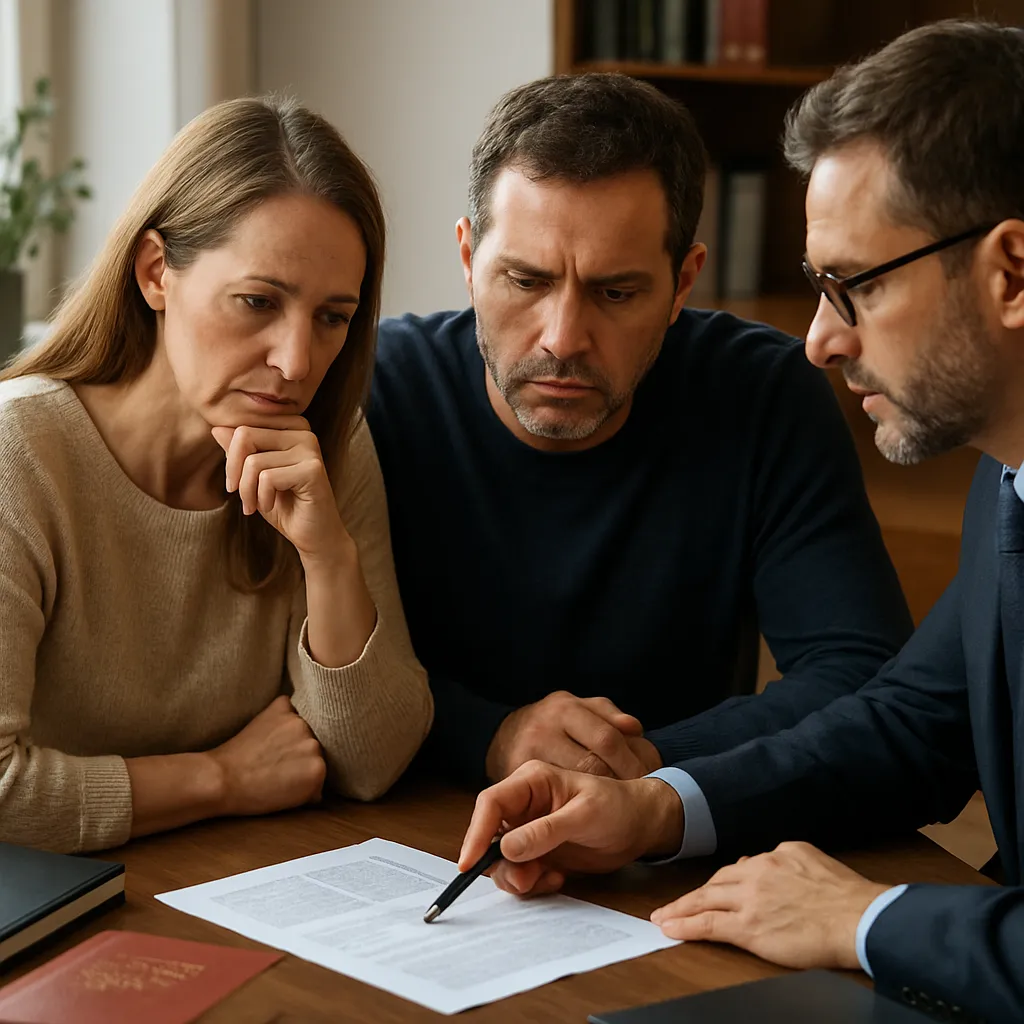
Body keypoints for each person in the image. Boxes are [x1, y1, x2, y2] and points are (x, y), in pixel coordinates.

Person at [458, 19, 1024, 1023]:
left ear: (1010, 273)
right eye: (817, 286)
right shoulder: (1006, 475)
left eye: (856, 284)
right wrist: (655, 809)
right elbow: (912, 725)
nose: (818, 339)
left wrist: (868, 918)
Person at [367, 72, 913, 788]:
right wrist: (492, 737)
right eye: (525, 282)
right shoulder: (377, 388)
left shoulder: (762, 392)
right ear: (469, 262)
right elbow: (300, 671)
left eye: (615, 292)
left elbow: (861, 671)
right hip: (400, 828)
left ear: (684, 283)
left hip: (673, 839)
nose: (562, 339)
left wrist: (643, 766)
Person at [0, 96, 433, 854]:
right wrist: (222, 777)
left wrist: (328, 556)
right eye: (257, 302)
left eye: (333, 317)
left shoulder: (329, 444)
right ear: (156, 271)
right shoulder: (20, 454)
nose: (297, 363)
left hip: (231, 887)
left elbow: (371, 762)